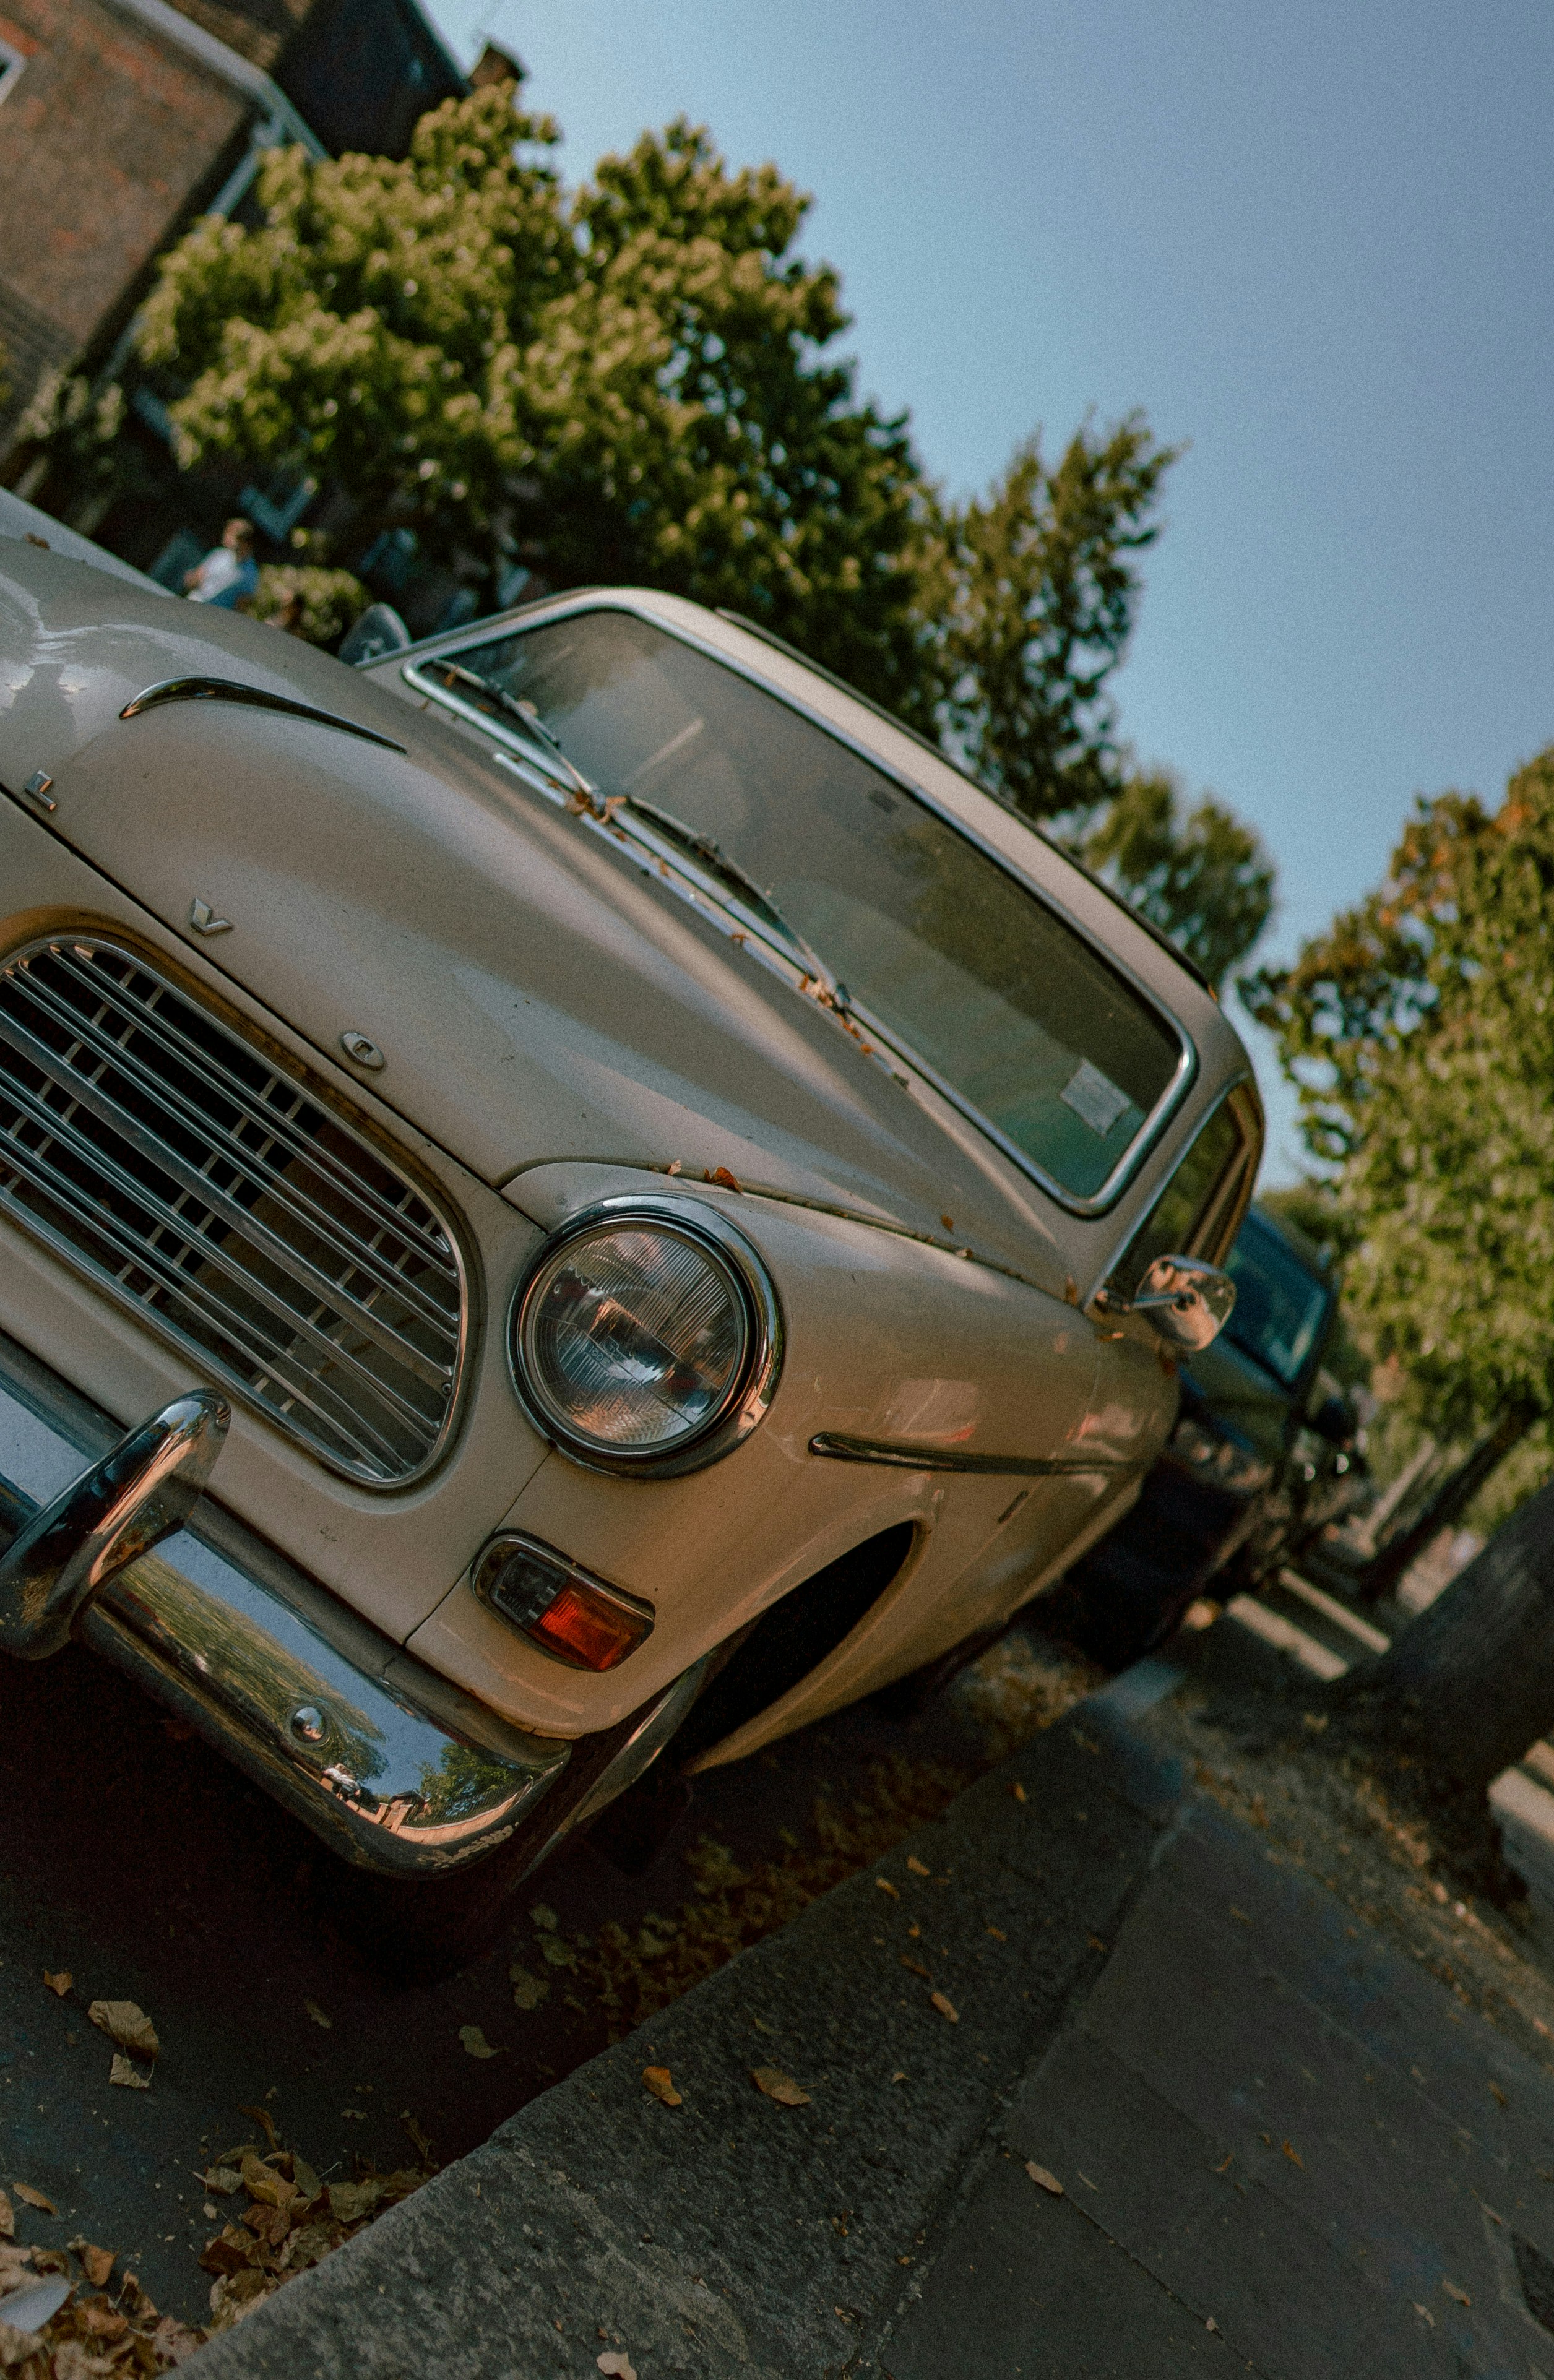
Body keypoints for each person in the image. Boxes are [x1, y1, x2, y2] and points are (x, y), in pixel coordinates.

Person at [184, 517, 259, 608]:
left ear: (244, 543)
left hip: (211, 616)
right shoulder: (220, 554)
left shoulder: (250, 574)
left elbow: (240, 607)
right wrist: (192, 579)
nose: (226, 537)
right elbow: (198, 577)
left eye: (231, 535)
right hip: (192, 603)